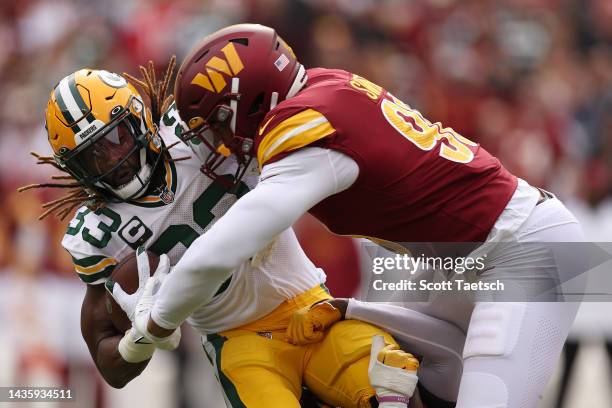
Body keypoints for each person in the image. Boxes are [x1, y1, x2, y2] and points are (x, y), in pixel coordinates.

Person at [129, 24, 587, 408]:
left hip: (526, 253)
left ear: (248, 104)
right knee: (394, 379)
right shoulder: (325, 86)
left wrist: (154, 323)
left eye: (216, 124)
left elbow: (222, 250)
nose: (216, 142)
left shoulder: (307, 133)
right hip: (459, 260)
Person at [26, 65, 421, 408]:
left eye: (117, 138)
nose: (113, 159)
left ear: (140, 118)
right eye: (93, 156)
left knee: (392, 380)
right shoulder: (97, 232)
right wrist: (139, 339)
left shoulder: (196, 129)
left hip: (312, 307)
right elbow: (108, 362)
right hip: (239, 342)